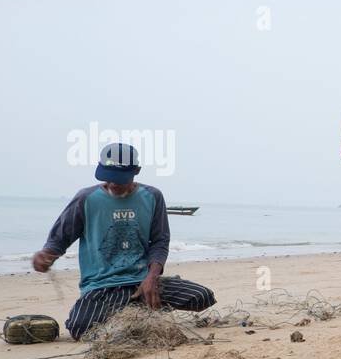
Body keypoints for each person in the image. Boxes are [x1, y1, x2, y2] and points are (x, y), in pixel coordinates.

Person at [31, 142, 216, 339]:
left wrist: (152, 277)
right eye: (108, 177)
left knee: (202, 297)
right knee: (80, 328)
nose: (113, 183)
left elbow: (160, 241)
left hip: (143, 281)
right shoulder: (86, 198)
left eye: (119, 179)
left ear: (136, 171)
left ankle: (139, 305)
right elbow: (59, 240)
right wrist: (46, 256)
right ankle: (134, 310)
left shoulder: (153, 196)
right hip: (102, 286)